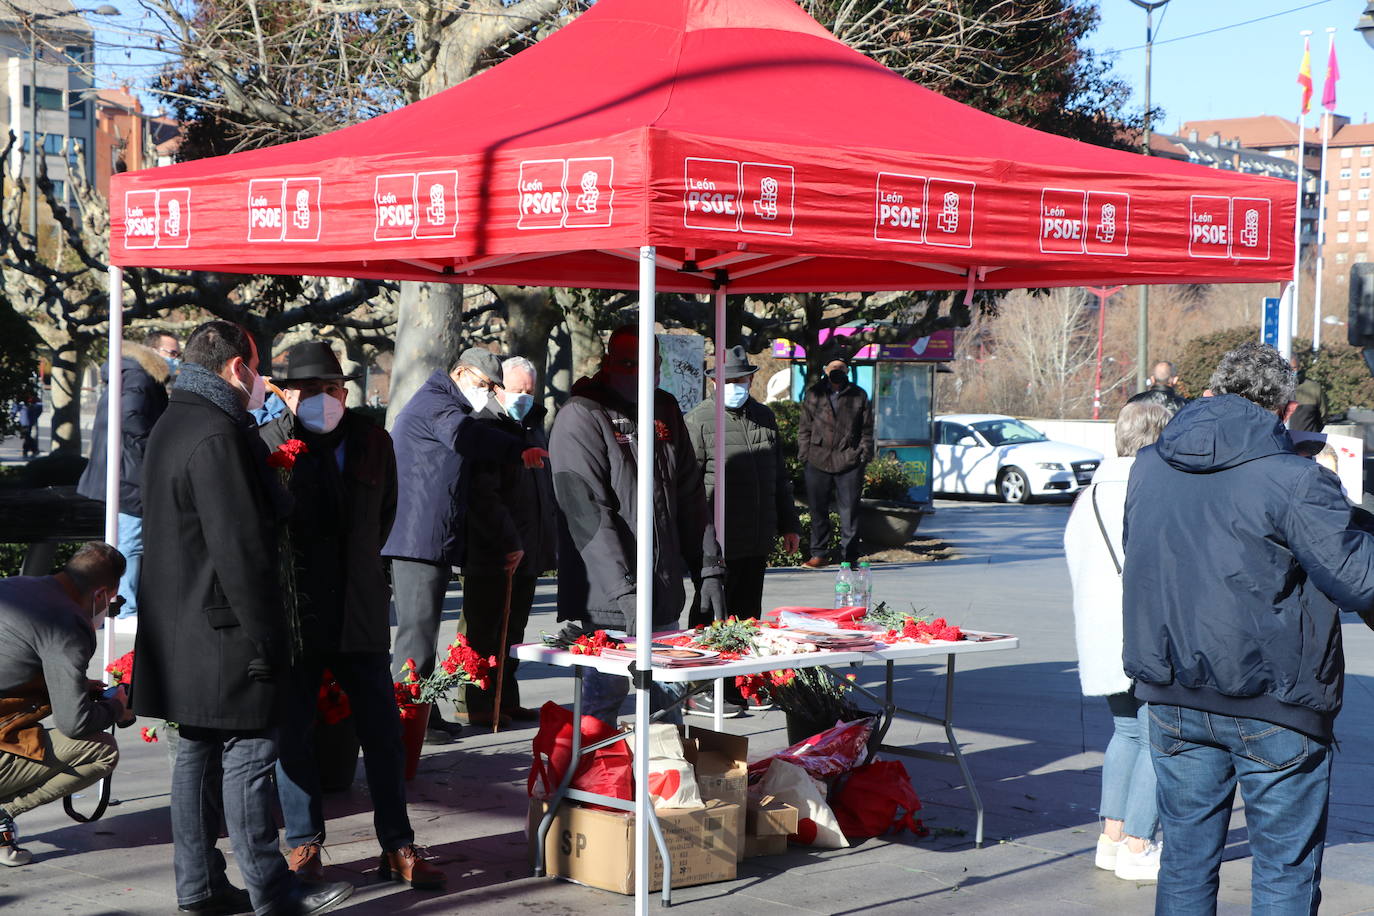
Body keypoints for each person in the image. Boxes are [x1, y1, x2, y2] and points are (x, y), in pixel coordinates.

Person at [1122, 342, 1374, 914]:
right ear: (1285, 411)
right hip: (1273, 699)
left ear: (1211, 392)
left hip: (1171, 691)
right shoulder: (1294, 479)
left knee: (1185, 862)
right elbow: (1360, 580)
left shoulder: (1148, 465)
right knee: (1283, 872)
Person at [133, 320, 352, 916]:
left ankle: (199, 886)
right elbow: (241, 548)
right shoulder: (214, 431)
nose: (264, 383)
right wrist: (267, 637)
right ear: (236, 369)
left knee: (198, 758)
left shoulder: (176, 423)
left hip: (184, 627)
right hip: (226, 629)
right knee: (251, 756)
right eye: (257, 368)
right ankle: (272, 891)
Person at [260, 341, 444, 891]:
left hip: (360, 607)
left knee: (383, 732)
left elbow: (386, 511)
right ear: (287, 394)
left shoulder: (372, 440)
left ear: (346, 391)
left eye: (332, 389)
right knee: (294, 732)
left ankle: (397, 844)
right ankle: (304, 843)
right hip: (300, 612)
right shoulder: (269, 442)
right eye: (310, 390)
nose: (323, 399)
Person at [383, 347, 544, 744]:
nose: (486, 393)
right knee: (416, 636)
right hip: (417, 538)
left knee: (423, 632)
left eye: (491, 388)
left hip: (427, 537)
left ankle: (422, 712)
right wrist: (517, 450)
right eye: (483, 384)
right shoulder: (439, 404)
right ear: (459, 372)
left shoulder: (443, 401)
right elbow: (465, 436)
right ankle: (404, 720)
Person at [549, 325, 707, 728]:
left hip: (663, 591)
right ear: (608, 362)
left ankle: (663, 786)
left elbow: (689, 495)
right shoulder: (582, 414)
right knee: (603, 702)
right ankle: (581, 783)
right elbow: (587, 514)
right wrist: (625, 592)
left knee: (668, 706)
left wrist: (710, 570)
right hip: (608, 599)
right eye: (627, 363)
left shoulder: (664, 408)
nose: (640, 373)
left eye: (649, 365)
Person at [1063, 401, 1172, 882]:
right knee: (1156, 740)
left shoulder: (1087, 496)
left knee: (1126, 734)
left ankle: (1110, 837)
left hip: (1101, 633)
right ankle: (1138, 842)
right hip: (1147, 632)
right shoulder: (1154, 489)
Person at [0, 543, 130, 867]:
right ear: (102, 593)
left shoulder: (15, 585)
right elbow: (74, 723)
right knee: (102, 750)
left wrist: (71, 685)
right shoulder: (67, 621)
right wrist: (118, 707)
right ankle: (3, 814)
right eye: (112, 601)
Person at [455, 356, 558, 727]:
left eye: (530, 391)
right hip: (493, 547)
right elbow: (484, 495)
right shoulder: (485, 426)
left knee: (513, 629)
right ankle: (473, 701)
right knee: (482, 627)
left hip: (528, 545)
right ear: (499, 389)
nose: (524, 397)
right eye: (518, 391)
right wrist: (507, 540)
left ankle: (505, 698)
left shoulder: (532, 424)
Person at [685, 344, 801, 623]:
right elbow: (688, 488)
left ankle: (743, 669)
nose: (735, 386)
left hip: (756, 539)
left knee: (748, 617)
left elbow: (778, 477)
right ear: (714, 382)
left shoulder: (764, 417)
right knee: (710, 616)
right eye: (728, 381)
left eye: (740, 380)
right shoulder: (697, 421)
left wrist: (790, 525)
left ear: (750, 379)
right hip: (716, 543)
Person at [76, 330, 178, 619]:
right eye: (172, 353)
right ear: (153, 351)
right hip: (128, 475)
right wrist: (153, 449)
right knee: (129, 543)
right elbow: (130, 419)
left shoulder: (130, 373)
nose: (175, 360)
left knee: (124, 542)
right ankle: (126, 609)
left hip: (120, 471)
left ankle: (121, 606)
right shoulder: (140, 377)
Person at [797, 357, 873, 568]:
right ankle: (819, 554)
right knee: (817, 510)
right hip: (817, 458)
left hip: (849, 459)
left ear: (848, 370)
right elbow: (804, 427)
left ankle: (849, 557)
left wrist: (863, 455)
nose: (837, 370)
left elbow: (867, 429)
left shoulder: (858, 395)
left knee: (850, 511)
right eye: (833, 367)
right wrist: (804, 454)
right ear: (825, 370)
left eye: (841, 367)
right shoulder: (814, 393)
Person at [1288, 356, 1328, 433]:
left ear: (1299, 367)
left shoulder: (1314, 388)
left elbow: (1323, 416)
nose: (1291, 371)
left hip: (1309, 440)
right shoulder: (1276, 389)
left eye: (1294, 368)